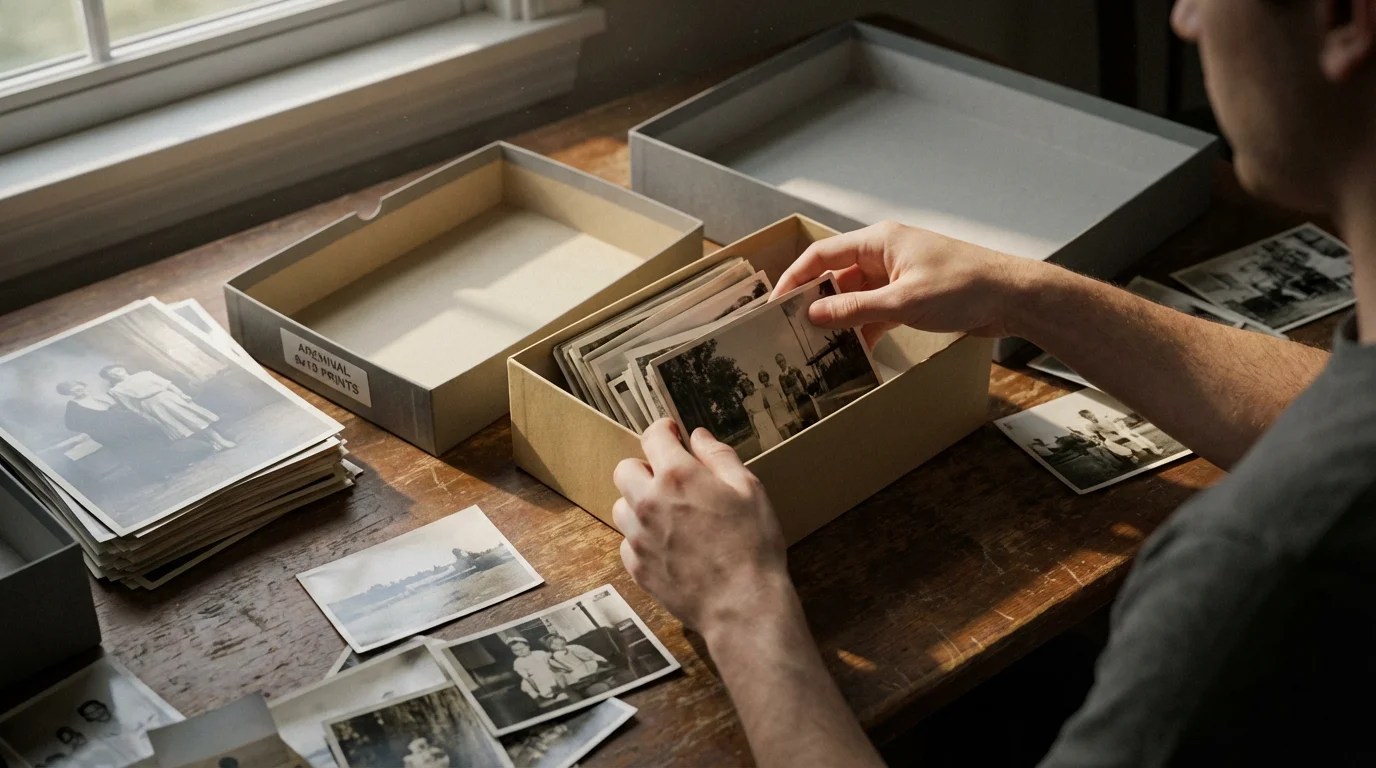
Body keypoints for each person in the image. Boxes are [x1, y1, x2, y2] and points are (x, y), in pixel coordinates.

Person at [610, 0, 1376, 764]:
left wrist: (738, 605)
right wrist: (1021, 291)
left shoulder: (1253, 580)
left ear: (1345, 17)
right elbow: (1346, 404)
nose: (1184, 19)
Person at [99, 365, 236, 451]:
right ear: (110, 378)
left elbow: (168, 384)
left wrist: (181, 394)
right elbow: (131, 406)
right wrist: (147, 416)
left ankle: (220, 440)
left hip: (167, 397)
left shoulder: (145, 374)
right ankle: (212, 442)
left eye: (117, 369)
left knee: (195, 420)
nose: (116, 373)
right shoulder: (117, 390)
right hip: (151, 406)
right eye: (111, 374)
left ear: (122, 368)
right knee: (183, 426)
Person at [507, 637, 566, 705]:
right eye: (515, 650)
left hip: (547, 672)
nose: (520, 651)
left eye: (522, 648)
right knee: (525, 684)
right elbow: (526, 676)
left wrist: (549, 655)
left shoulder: (539, 653)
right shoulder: (517, 662)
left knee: (556, 678)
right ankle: (541, 700)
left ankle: (558, 693)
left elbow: (550, 661)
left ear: (528, 646)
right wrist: (536, 689)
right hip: (535, 679)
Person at [738, 379, 783, 453]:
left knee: (773, 434)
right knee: (764, 438)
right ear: (744, 390)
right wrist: (754, 429)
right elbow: (750, 416)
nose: (748, 388)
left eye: (749, 385)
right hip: (757, 419)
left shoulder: (759, 392)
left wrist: (773, 418)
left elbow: (767, 407)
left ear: (752, 385)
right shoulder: (745, 401)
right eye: (745, 387)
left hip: (765, 415)